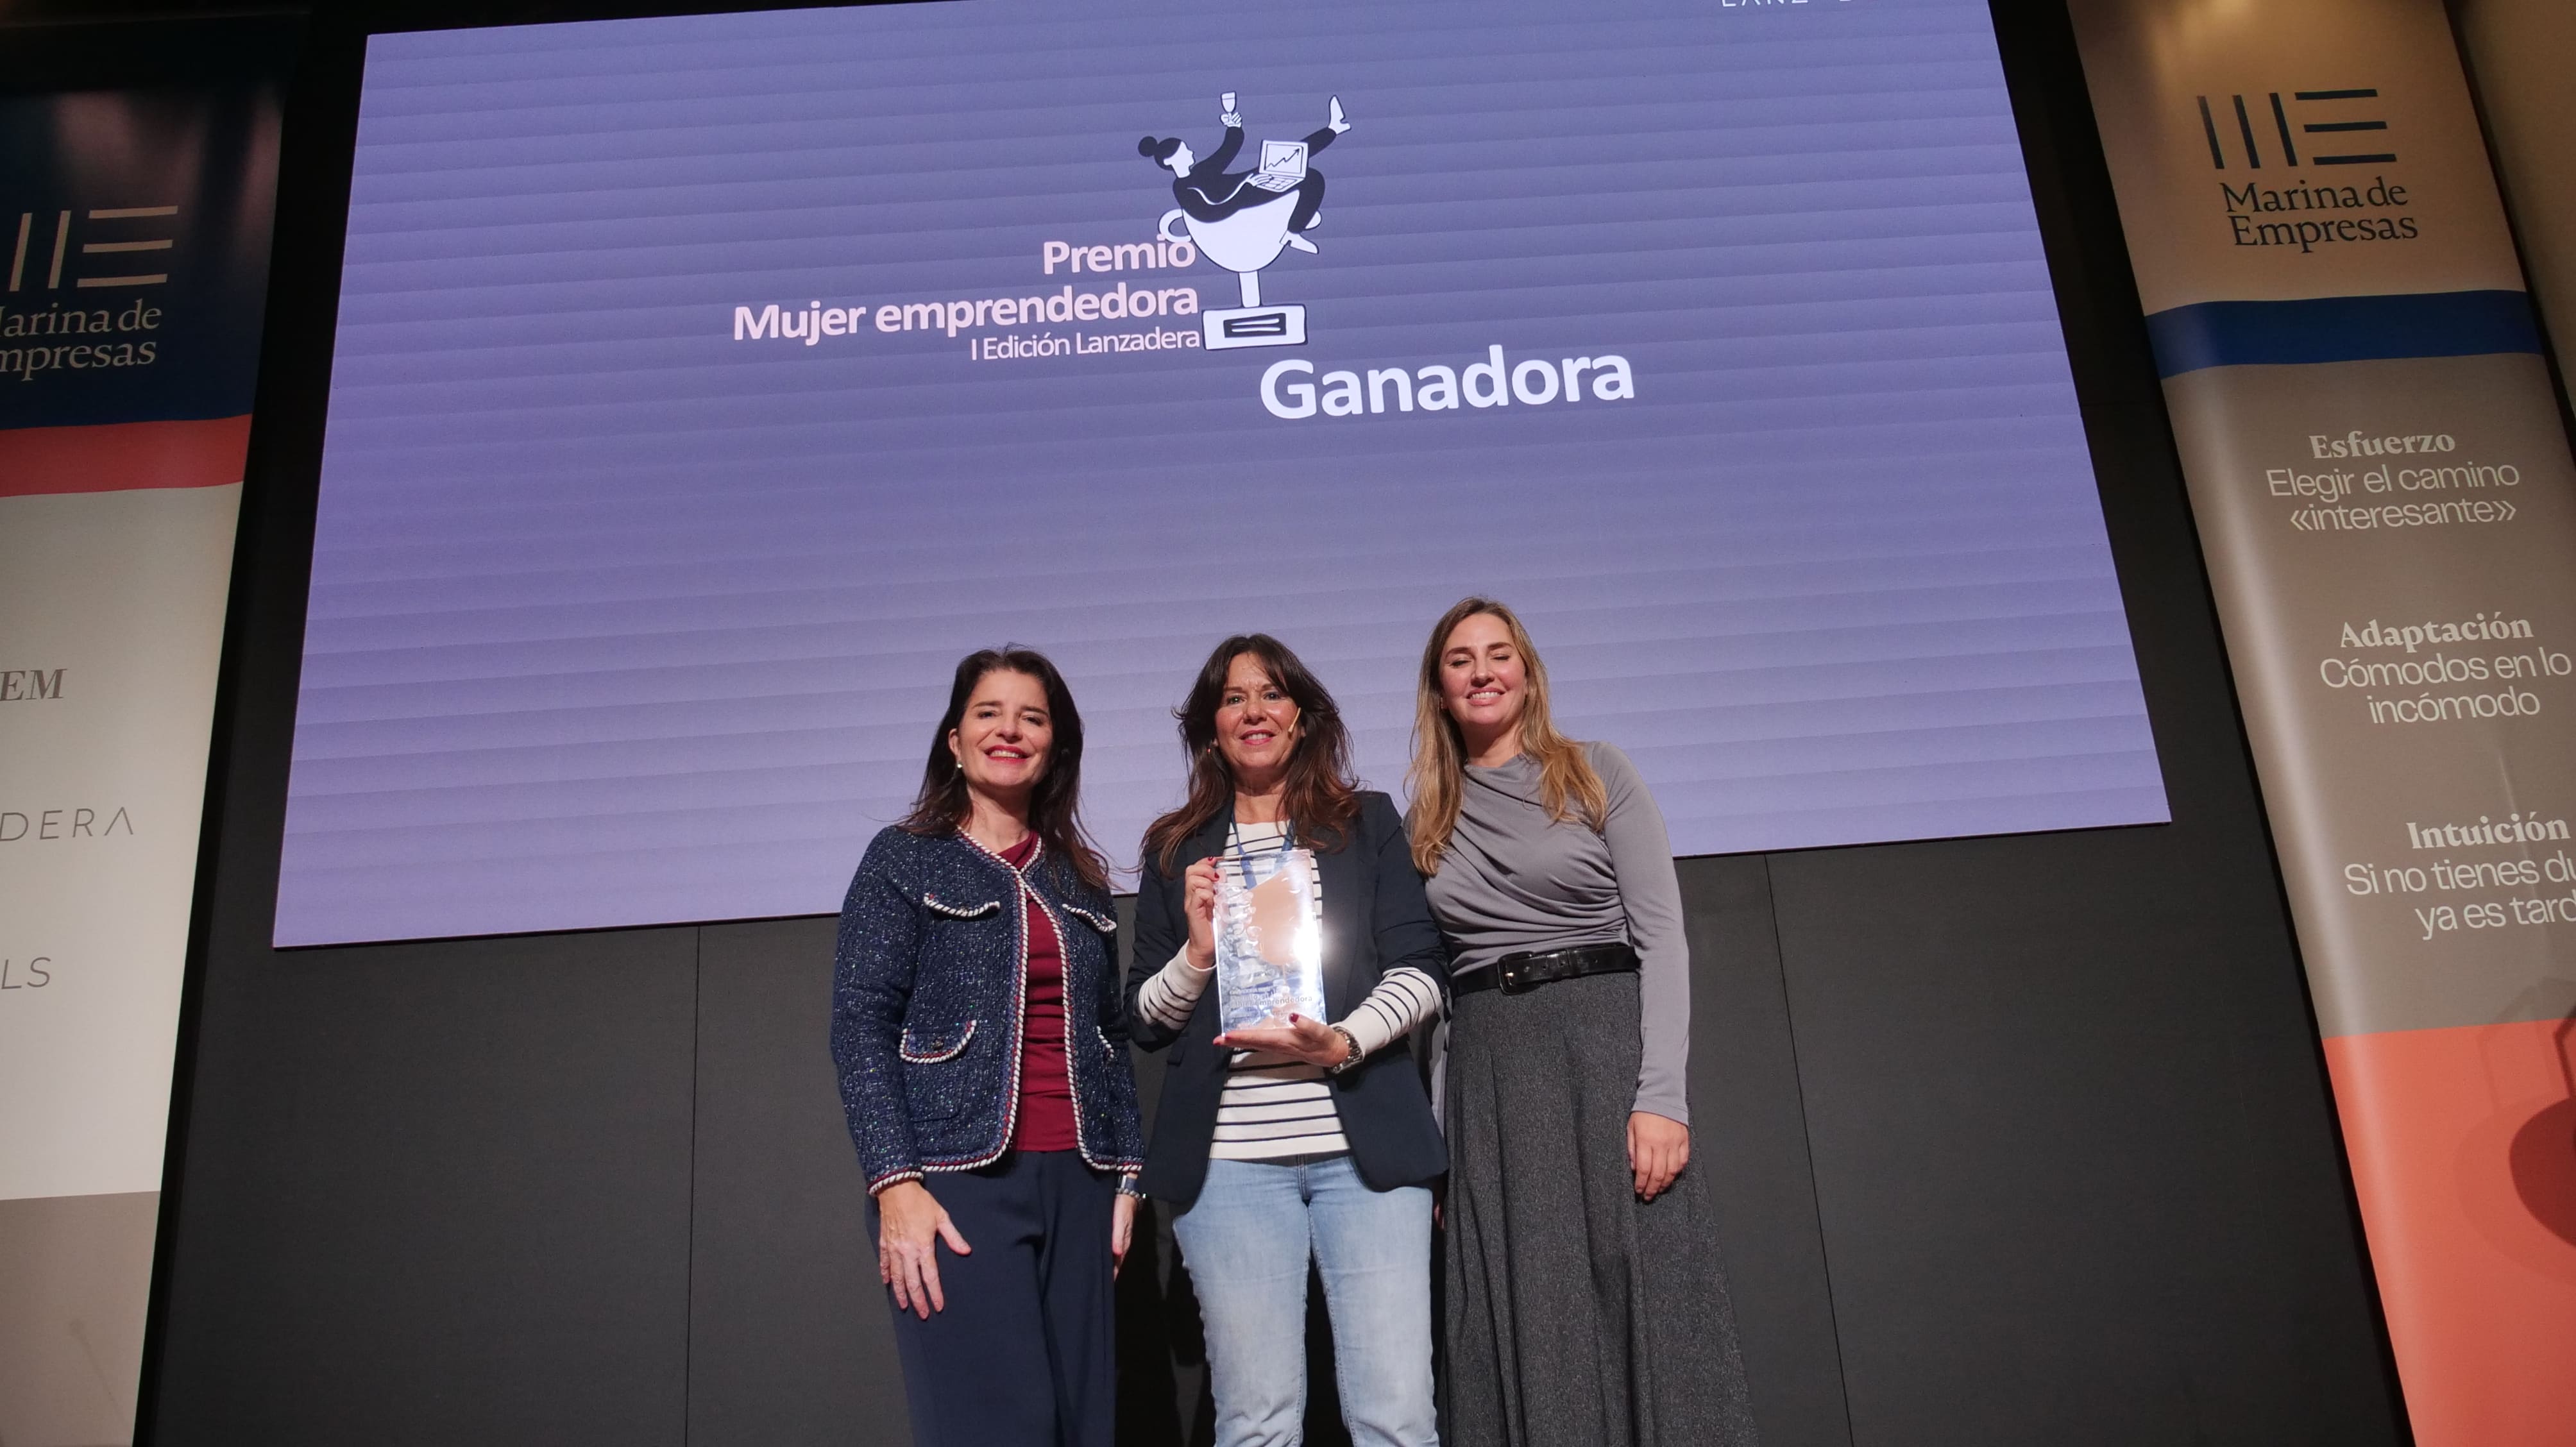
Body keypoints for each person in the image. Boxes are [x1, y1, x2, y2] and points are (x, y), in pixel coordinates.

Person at [1408, 598, 1760, 1447]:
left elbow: (1661, 939)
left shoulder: (1595, 772)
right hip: (1493, 1077)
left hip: (1601, 1050)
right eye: (1460, 659)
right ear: (1439, 688)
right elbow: (1439, 997)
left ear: (1527, 674)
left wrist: (1662, 1097)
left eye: (1499, 654)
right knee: (1527, 1305)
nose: (1482, 672)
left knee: (1644, 1292)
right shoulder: (1426, 817)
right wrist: (1440, 1146)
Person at [1125, 634, 1446, 1447]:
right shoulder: (1174, 848)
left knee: (1395, 1417)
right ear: (1210, 728)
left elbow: (1419, 971)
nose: (1253, 711)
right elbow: (1147, 1020)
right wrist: (1196, 953)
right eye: (1233, 699)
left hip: (1365, 1157)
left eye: (1271, 694)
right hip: (1228, 1167)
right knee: (1256, 1423)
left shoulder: (1364, 824)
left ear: (1301, 717)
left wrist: (1341, 1042)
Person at [830, 647, 1146, 1447]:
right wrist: (894, 1183)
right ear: (954, 739)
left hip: (1080, 1182)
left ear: (1054, 744)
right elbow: (860, 1024)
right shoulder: (903, 858)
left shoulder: (1079, 878)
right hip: (956, 1183)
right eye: (988, 714)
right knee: (998, 1427)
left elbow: (1109, 1037)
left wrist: (1126, 1177)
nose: (1010, 731)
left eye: (1031, 718)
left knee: (1081, 1428)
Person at [1140, 92, 1350, 235]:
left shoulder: (1200, 170)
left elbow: (1227, 151)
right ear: (1170, 161)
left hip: (1253, 183)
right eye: (1185, 151)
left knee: (1292, 156)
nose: (1191, 152)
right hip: (1249, 196)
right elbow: (1209, 214)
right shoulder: (1182, 189)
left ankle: (1333, 129)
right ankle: (1294, 230)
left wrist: (1234, 126)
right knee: (1311, 178)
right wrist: (1246, 188)